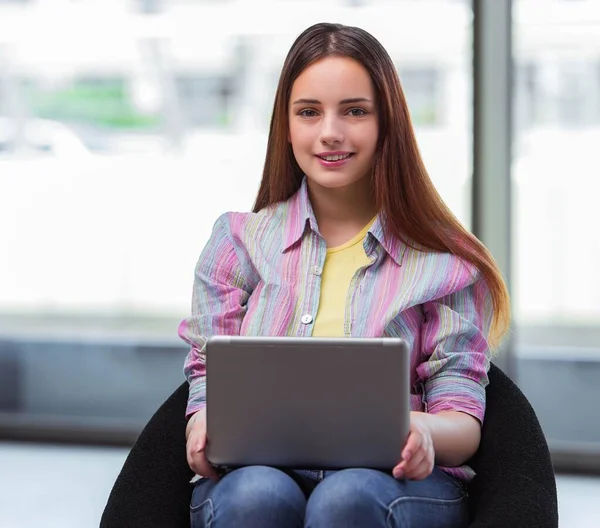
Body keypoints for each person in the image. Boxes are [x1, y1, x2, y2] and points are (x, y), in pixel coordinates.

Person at [178, 22, 510, 528]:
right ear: (285, 126)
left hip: (392, 483)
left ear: (386, 124)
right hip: (255, 474)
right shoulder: (237, 244)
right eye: (309, 112)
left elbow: (463, 420)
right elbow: (208, 379)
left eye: (355, 111)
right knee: (254, 497)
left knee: (347, 497)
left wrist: (421, 432)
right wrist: (203, 427)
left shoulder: (446, 262)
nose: (330, 131)